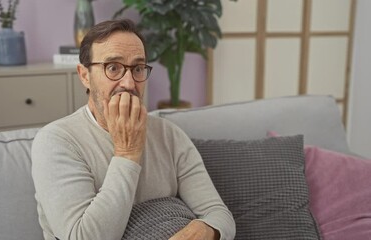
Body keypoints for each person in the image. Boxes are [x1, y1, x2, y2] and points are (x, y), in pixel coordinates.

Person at [31, 19, 236, 240]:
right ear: (84, 76)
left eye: (138, 68)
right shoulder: (56, 141)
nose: (129, 83)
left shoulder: (169, 134)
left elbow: (218, 213)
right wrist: (127, 153)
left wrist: (207, 229)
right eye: (113, 68)